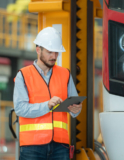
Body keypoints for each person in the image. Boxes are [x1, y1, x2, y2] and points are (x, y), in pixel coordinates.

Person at [13, 27, 82, 160]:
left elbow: (74, 106)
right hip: (32, 146)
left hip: (60, 146)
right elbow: (20, 109)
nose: (54, 56)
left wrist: (76, 109)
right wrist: (47, 105)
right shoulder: (24, 75)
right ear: (38, 50)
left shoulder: (65, 74)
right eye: (50, 52)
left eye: (56, 53)